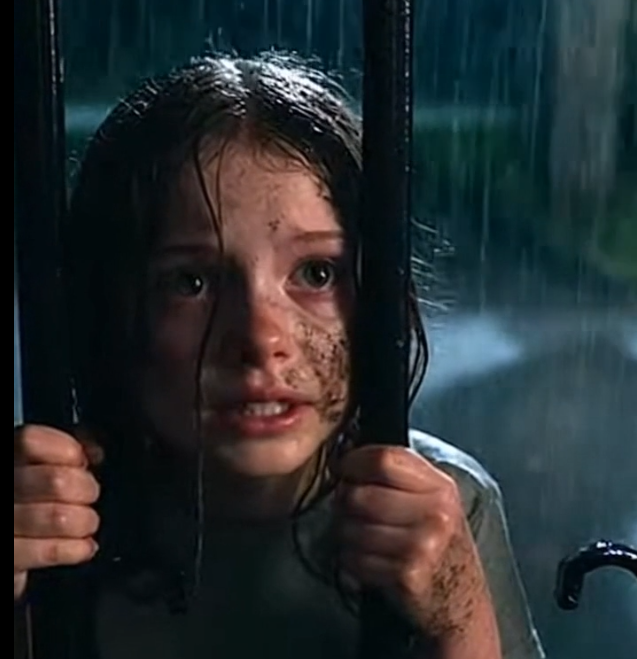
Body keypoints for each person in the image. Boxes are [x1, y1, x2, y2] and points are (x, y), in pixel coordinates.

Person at [13, 52, 545, 659]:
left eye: (317, 273)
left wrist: (458, 613)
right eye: (191, 281)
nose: (260, 337)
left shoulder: (441, 510)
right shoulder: (49, 512)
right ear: (111, 306)